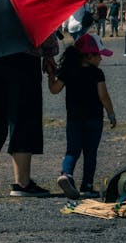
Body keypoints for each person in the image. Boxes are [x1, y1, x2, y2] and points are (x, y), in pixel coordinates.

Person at [0, 32, 59, 197]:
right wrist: (48, 54)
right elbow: (44, 27)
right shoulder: (24, 4)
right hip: (23, 58)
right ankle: (22, 182)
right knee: (23, 116)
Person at [48, 33, 117, 199]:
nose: (101, 59)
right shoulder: (97, 73)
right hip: (94, 119)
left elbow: (54, 89)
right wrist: (111, 114)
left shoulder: (68, 71)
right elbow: (104, 96)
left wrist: (51, 75)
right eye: (98, 55)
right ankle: (87, 185)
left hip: (74, 119)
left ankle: (66, 174)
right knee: (90, 153)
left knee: (72, 149)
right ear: (88, 55)